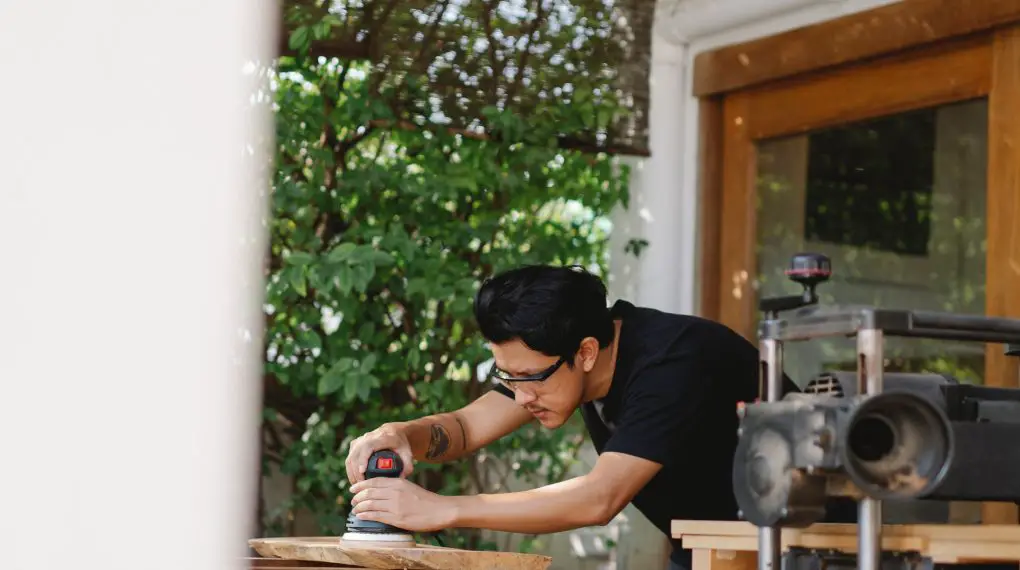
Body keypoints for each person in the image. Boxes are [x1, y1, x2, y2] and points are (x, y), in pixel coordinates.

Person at [345, 264, 798, 570]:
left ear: (584, 352)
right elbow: (464, 428)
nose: (520, 397)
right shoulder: (554, 357)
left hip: (809, 545)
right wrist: (402, 434)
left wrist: (444, 509)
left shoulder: (672, 363)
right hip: (713, 546)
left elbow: (597, 499)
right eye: (507, 377)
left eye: (528, 379)